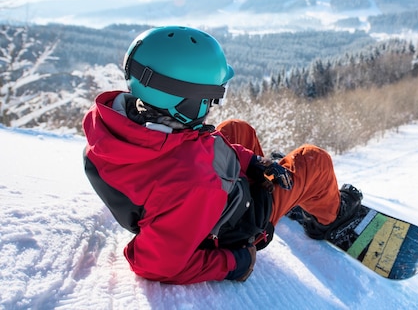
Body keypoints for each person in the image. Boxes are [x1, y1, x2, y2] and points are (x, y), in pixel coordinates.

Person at [82, 26, 362, 284]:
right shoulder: (192, 183)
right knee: (314, 159)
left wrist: (252, 161)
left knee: (236, 129)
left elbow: (199, 146)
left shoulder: (117, 127)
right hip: (237, 221)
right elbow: (154, 265)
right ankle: (328, 219)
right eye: (212, 97)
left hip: (206, 198)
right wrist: (233, 263)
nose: (214, 103)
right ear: (188, 102)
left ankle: (284, 187)